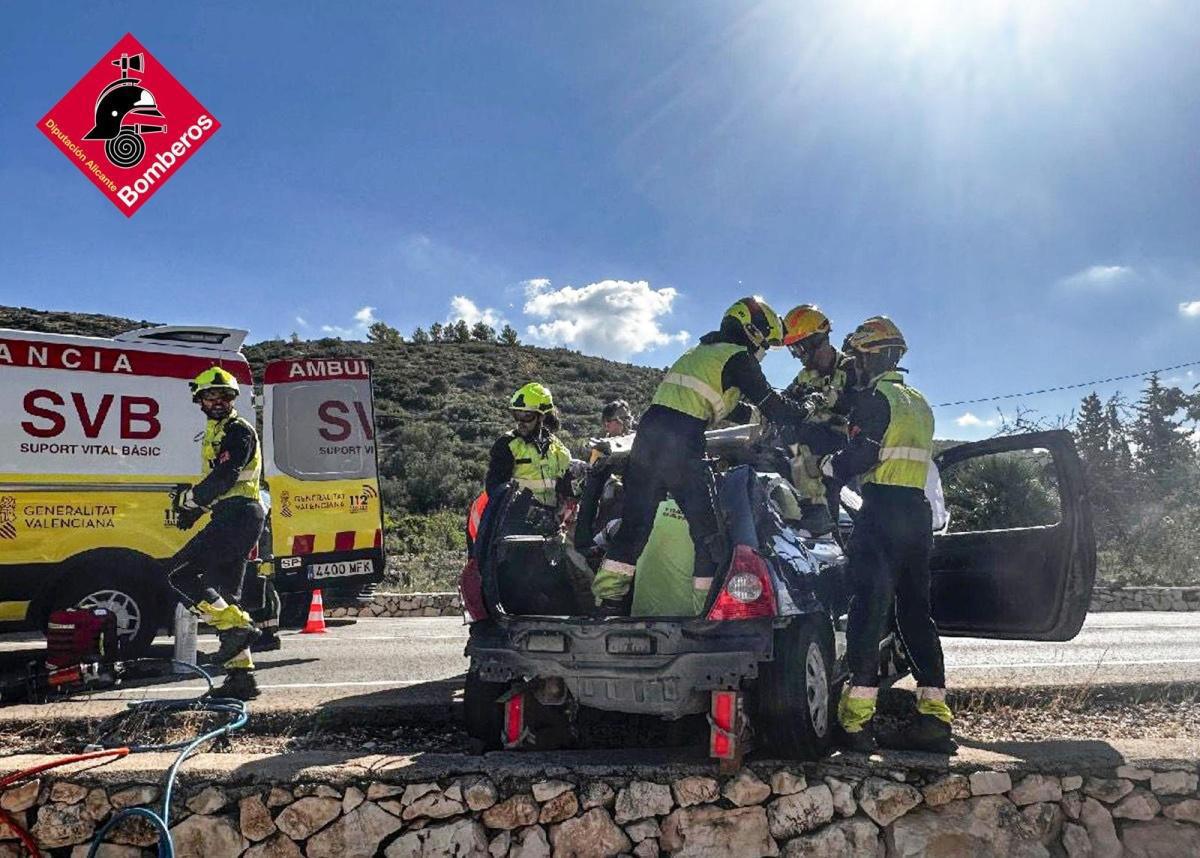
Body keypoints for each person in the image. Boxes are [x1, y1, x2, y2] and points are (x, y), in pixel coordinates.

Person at [591, 297, 815, 614]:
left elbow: (729, 405)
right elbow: (776, 408)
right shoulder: (739, 356)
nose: (765, 347)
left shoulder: (702, 353)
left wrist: (755, 418)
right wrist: (805, 408)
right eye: (766, 339)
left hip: (647, 437)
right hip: (682, 442)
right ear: (754, 331)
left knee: (634, 527)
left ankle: (607, 603)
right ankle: (705, 610)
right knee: (707, 534)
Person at [829, 317, 954, 754]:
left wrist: (827, 467)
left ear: (871, 355)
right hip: (916, 515)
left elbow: (862, 455)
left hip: (881, 511)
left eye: (857, 359)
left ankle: (854, 722)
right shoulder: (919, 402)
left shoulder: (876, 398)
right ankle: (934, 718)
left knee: (868, 611)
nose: (855, 368)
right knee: (916, 615)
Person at [166, 367, 265, 700]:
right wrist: (193, 512)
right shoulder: (219, 431)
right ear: (200, 400)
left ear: (232, 400)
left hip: (239, 515)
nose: (218, 401)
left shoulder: (238, 431)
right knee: (225, 596)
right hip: (233, 515)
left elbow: (226, 475)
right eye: (212, 396)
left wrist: (191, 500)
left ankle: (239, 628)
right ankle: (241, 680)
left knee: (180, 573)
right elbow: (223, 484)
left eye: (224, 396)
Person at [781, 305, 853, 536]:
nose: (798, 357)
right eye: (794, 350)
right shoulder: (804, 377)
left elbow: (865, 408)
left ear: (818, 341)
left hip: (847, 446)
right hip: (811, 447)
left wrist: (833, 401)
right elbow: (784, 402)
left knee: (810, 438)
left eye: (800, 348)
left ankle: (821, 517)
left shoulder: (853, 369)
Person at [486, 382, 574, 510]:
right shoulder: (507, 444)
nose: (521, 422)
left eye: (527, 416)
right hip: (514, 520)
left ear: (541, 416)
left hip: (548, 521)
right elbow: (495, 488)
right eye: (517, 415)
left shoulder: (557, 447)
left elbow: (566, 483)